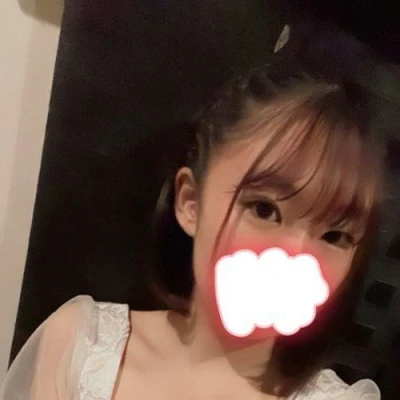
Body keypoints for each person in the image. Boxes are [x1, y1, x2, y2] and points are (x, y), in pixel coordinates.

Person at [0, 59, 384, 400]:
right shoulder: (81, 345)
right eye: (265, 209)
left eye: (335, 236)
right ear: (191, 204)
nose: (297, 257)